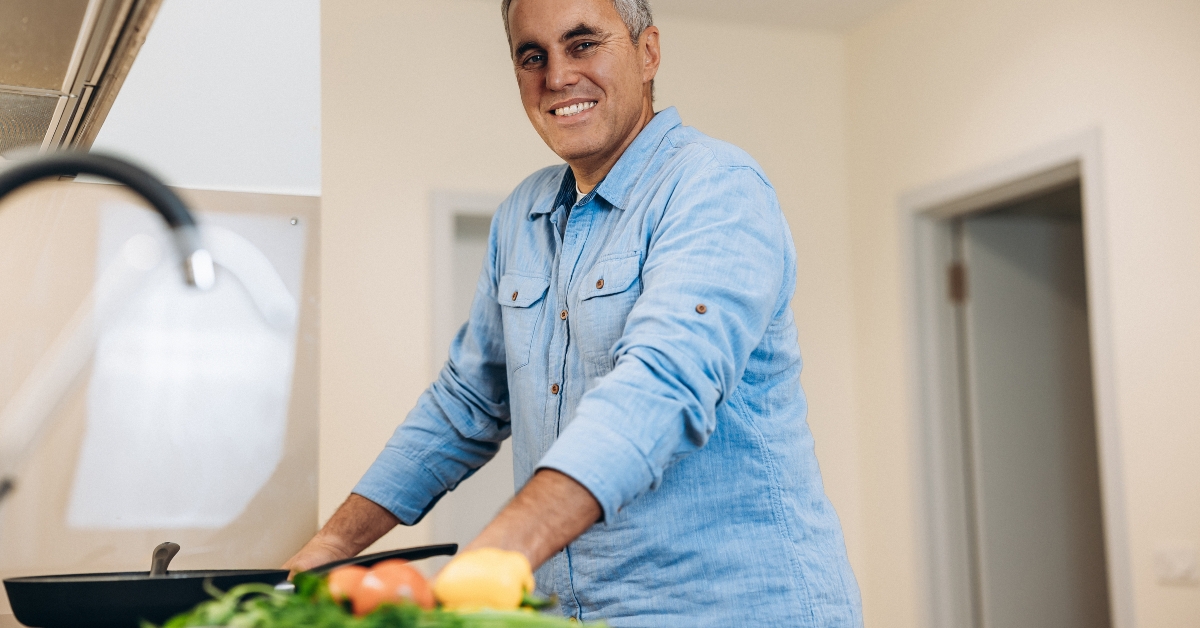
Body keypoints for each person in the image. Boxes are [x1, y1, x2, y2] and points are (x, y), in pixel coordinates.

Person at [285, 0, 863, 624]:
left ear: (648, 53)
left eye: (582, 44)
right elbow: (467, 403)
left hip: (736, 609)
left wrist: (504, 550)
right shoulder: (521, 216)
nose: (556, 76)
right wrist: (331, 548)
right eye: (532, 56)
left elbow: (663, 385)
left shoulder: (714, 186)